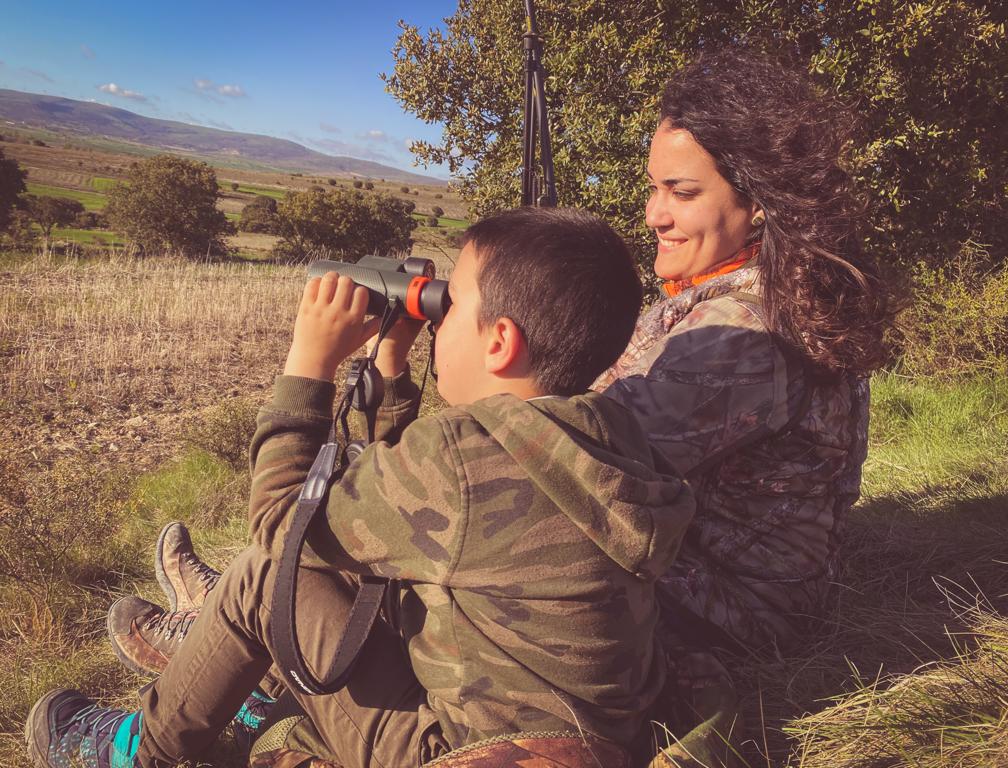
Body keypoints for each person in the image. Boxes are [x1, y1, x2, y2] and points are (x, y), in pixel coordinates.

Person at [26, 207, 695, 768]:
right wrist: (391, 360)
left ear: (499, 342)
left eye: (450, 305)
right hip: (578, 743)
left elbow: (283, 527)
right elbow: (380, 508)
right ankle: (251, 692)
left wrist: (308, 362)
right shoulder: (602, 437)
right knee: (353, 567)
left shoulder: (463, 458)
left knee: (264, 578)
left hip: (464, 752)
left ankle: (137, 750)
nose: (436, 320)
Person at [592, 47, 890, 655]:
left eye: (681, 192)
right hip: (724, 586)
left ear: (757, 203)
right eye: (654, 188)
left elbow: (587, 467)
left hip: (727, 613)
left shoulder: (746, 329)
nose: (654, 214)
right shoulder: (770, 289)